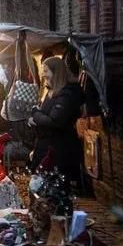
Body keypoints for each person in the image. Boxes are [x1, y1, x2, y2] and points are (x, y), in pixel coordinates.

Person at [29, 56, 84, 185]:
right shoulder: (52, 92)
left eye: (46, 71)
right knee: (41, 189)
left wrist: (36, 115)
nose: (43, 75)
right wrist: (34, 121)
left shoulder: (67, 94)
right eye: (43, 71)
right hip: (46, 146)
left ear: (56, 71)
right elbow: (46, 116)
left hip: (59, 149)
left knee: (54, 189)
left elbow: (55, 121)